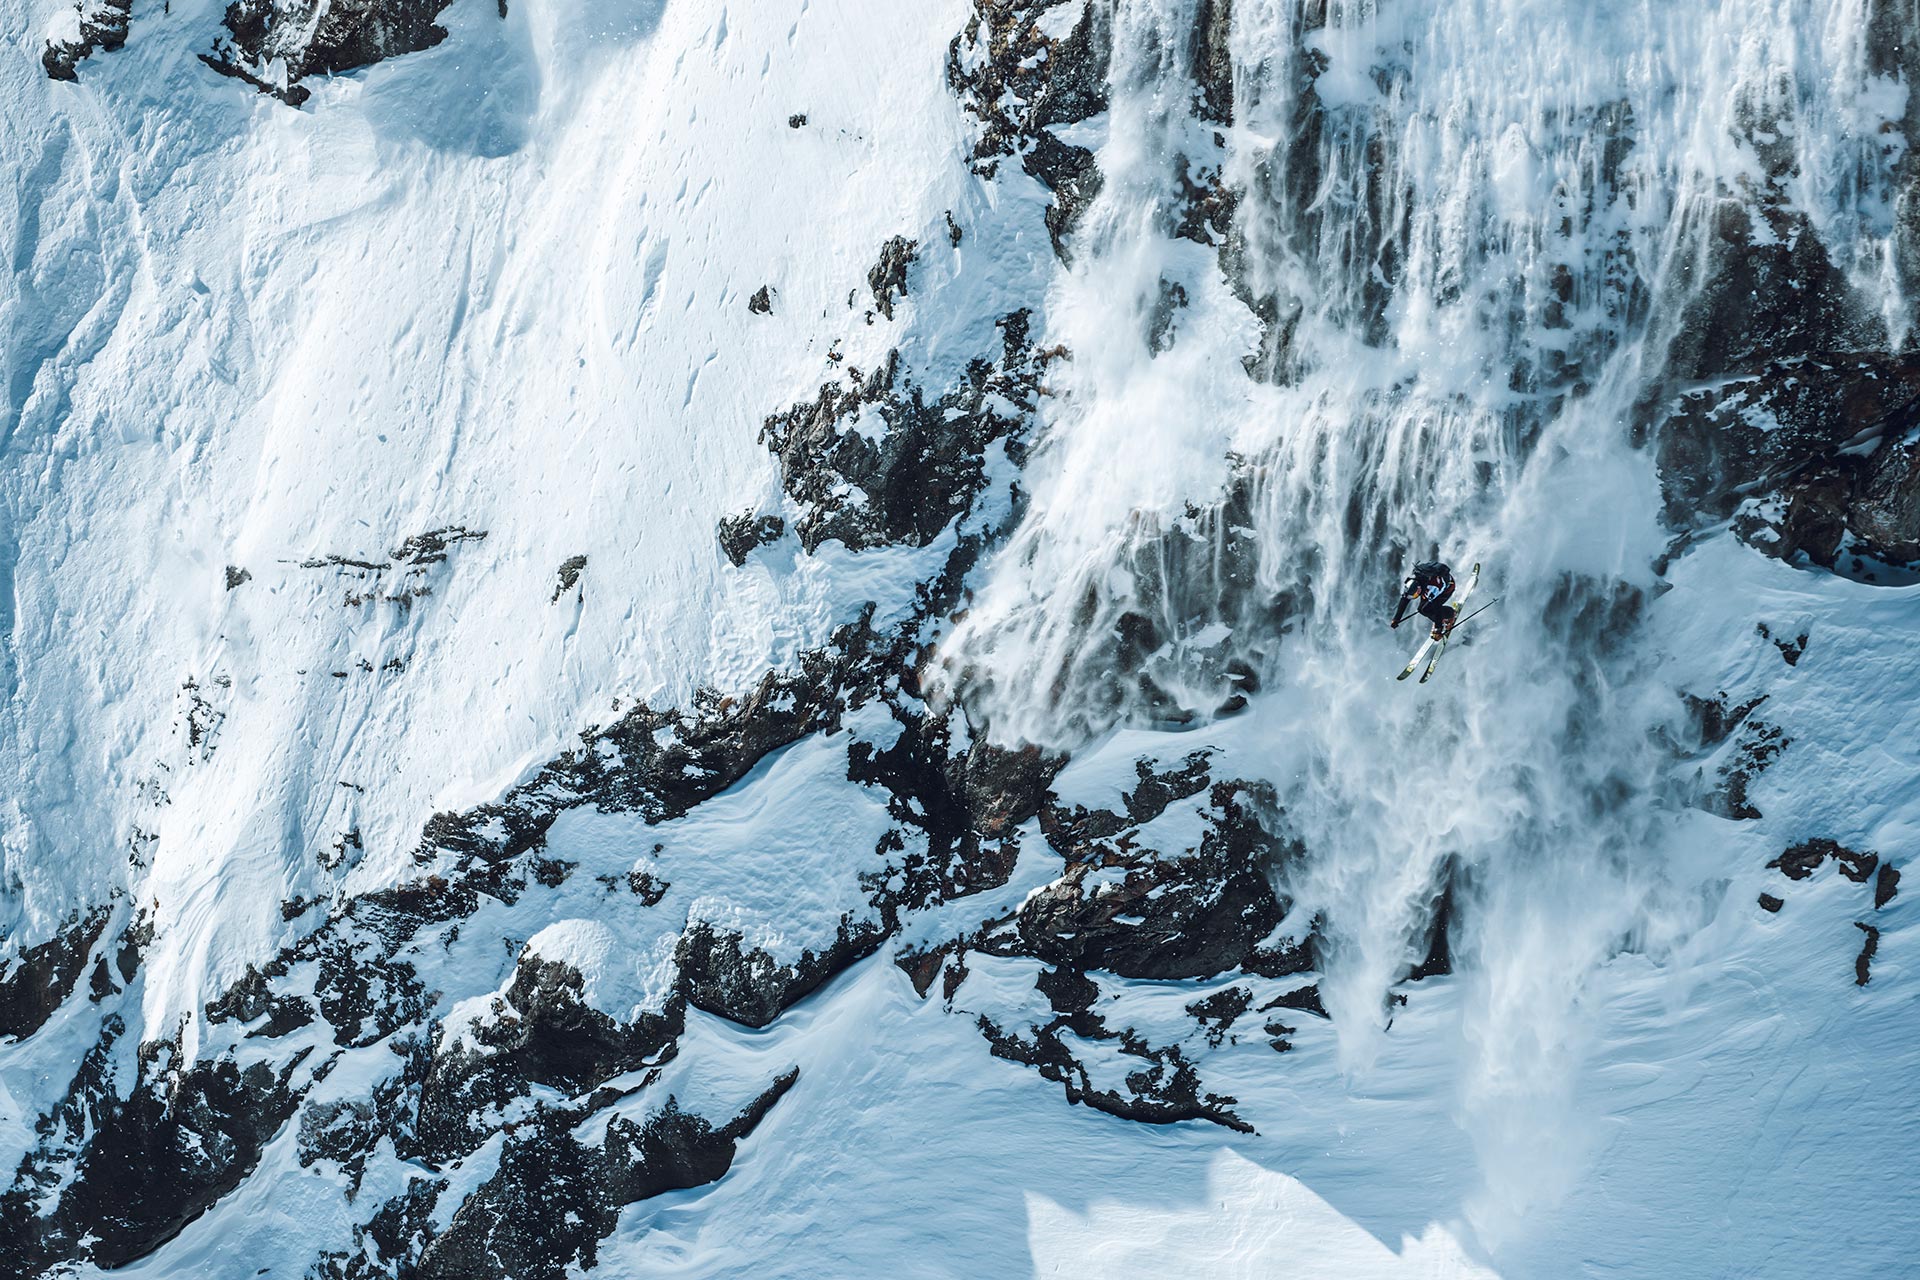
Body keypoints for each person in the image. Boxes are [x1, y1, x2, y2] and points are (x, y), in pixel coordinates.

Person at [1390, 561, 1457, 640]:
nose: (1415, 597)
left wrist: (1438, 629)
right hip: (1430, 587)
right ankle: (1440, 620)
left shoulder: (1433, 588)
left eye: (1416, 595)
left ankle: (1451, 615)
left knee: (1426, 609)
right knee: (1422, 609)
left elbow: (1437, 608)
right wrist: (1396, 618)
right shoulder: (1412, 581)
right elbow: (1405, 599)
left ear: (1419, 589)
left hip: (1447, 589)